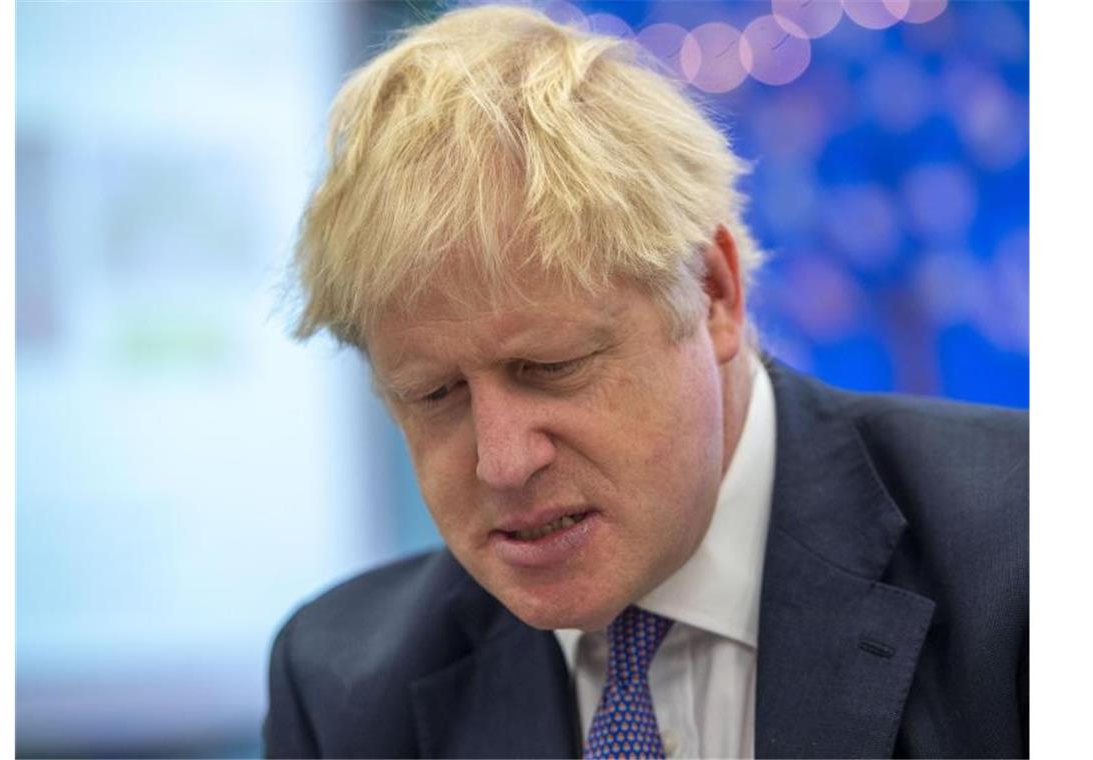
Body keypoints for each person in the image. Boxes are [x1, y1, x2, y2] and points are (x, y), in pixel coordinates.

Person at [264, 5, 1027, 758]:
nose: (502, 462)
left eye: (552, 367)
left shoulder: (1033, 552)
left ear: (713, 292)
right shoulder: (340, 686)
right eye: (435, 395)